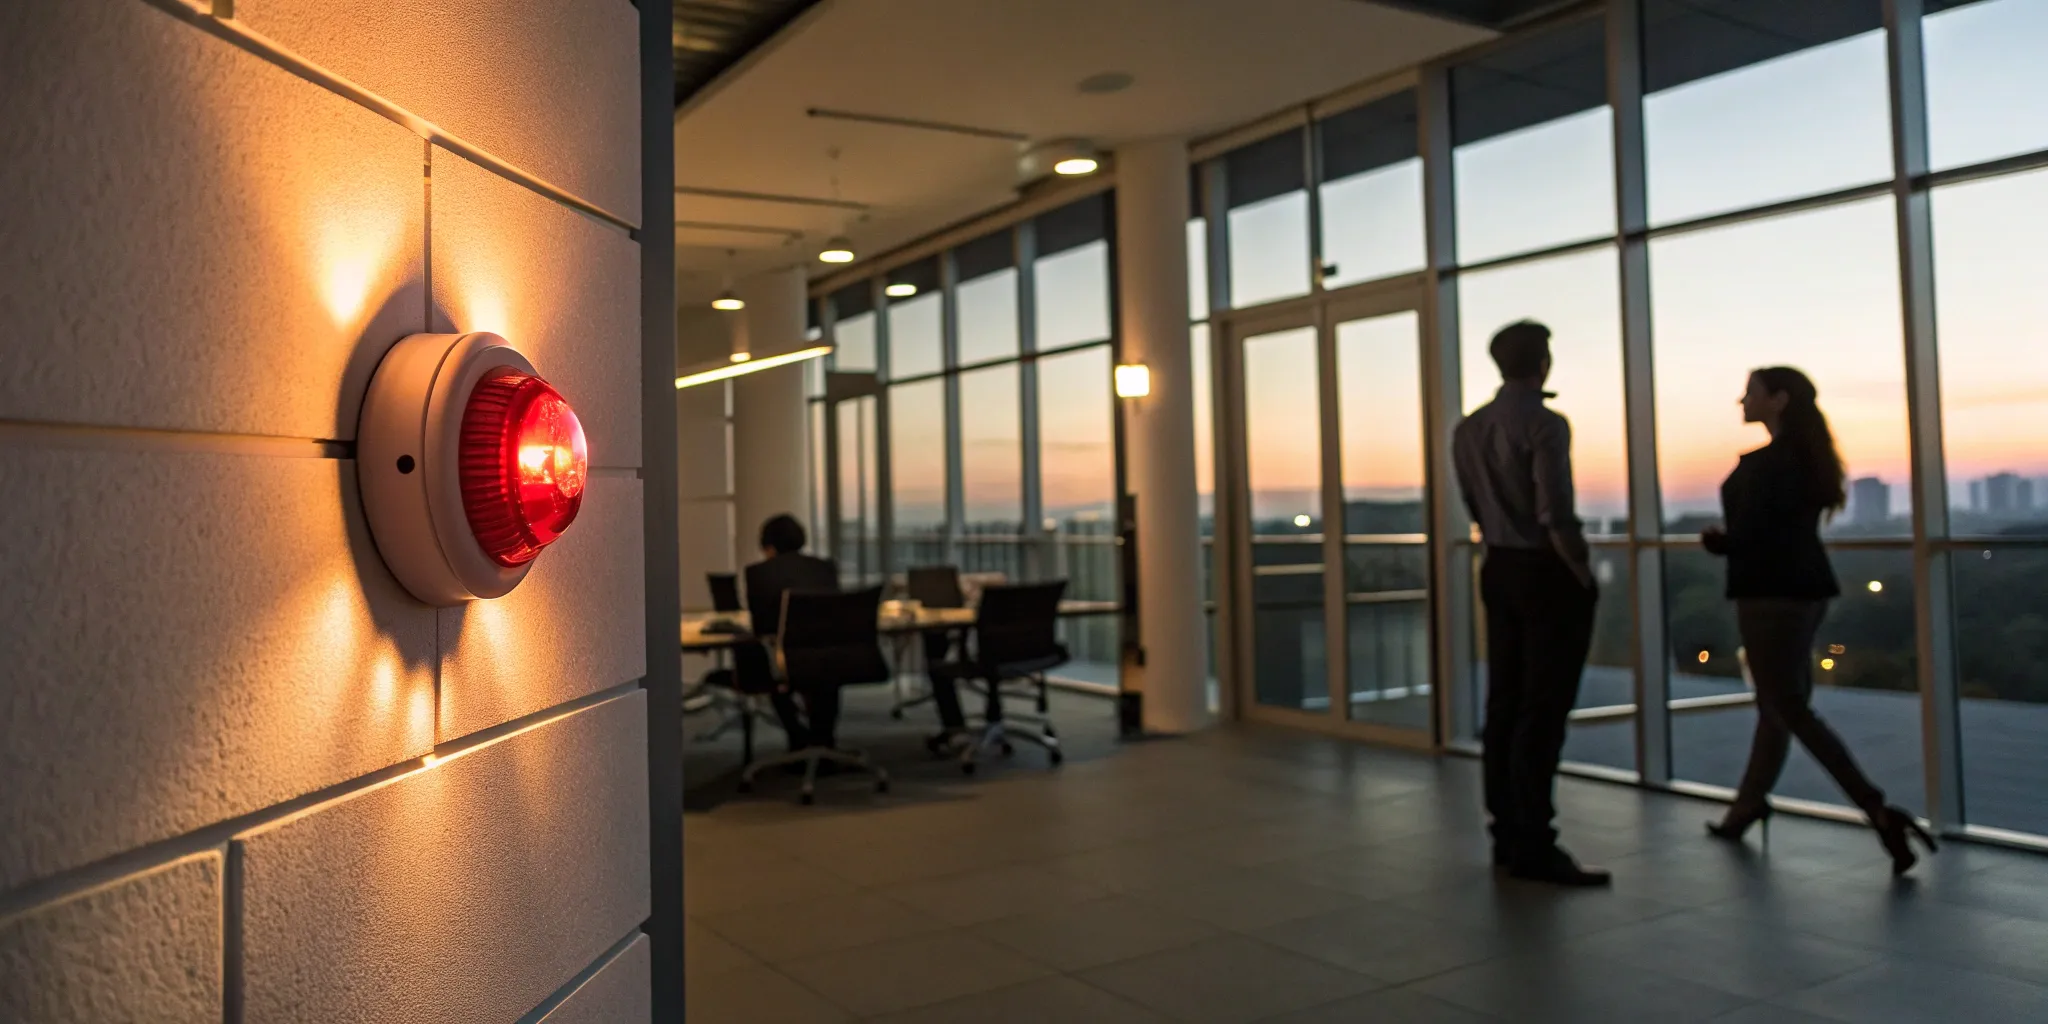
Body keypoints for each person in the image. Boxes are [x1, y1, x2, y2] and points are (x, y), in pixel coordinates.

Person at [1700, 368, 1936, 876]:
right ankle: (1746, 807)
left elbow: (1753, 534)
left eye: (1752, 392)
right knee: (1777, 705)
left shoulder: (1770, 466)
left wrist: (1720, 541)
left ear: (1778, 400)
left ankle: (1878, 810)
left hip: (1769, 596)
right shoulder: (1806, 461)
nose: (1742, 399)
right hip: (1803, 592)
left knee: (1787, 707)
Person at [1452, 320, 1608, 887]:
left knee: (1505, 704)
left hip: (1497, 566)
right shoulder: (1545, 423)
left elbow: (1473, 504)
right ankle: (1536, 843)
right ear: (1542, 361)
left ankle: (1507, 834)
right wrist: (1582, 571)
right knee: (1543, 709)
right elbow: (1556, 512)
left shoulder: (1467, 430)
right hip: (1544, 573)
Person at [741, 514, 842, 751]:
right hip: (834, 657)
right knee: (825, 671)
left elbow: (761, 628)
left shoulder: (758, 573)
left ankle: (798, 738)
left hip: (784, 662)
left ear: (768, 546)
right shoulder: (825, 568)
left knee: (757, 658)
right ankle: (824, 741)